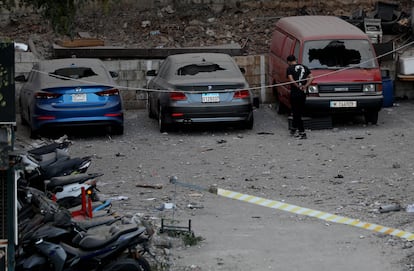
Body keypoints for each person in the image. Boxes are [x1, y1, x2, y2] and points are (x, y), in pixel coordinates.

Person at [286, 55, 313, 139]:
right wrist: (305, 86)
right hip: (303, 93)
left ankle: (302, 132)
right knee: (298, 112)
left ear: (289, 62)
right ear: (295, 60)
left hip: (295, 93)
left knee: (296, 113)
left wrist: (297, 86)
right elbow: (311, 77)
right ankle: (293, 129)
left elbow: (291, 79)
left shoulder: (289, 68)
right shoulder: (304, 67)